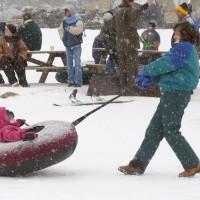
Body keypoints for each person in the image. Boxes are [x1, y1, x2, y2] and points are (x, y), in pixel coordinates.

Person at [118, 21, 200, 177]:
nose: (175, 36)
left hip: (176, 93)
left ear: (185, 34)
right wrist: (153, 78)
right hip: (172, 92)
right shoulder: (185, 49)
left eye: (177, 33)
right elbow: (171, 70)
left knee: (171, 130)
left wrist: (147, 71)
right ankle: (138, 164)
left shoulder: (184, 47)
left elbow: (165, 63)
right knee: (154, 131)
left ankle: (192, 163)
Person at [114, 0, 149, 95]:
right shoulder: (127, 10)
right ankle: (130, 91)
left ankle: (123, 89)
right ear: (128, 2)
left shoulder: (118, 11)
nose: (133, 3)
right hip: (129, 45)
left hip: (121, 44)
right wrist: (145, 5)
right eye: (132, 1)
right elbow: (135, 14)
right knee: (131, 68)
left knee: (122, 68)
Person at [58, 5, 84, 87]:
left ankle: (78, 81)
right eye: (65, 11)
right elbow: (60, 30)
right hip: (68, 45)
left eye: (68, 11)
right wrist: (63, 38)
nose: (66, 13)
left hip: (76, 45)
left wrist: (70, 29)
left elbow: (79, 31)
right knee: (69, 64)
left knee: (77, 64)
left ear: (71, 11)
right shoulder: (64, 20)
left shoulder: (78, 20)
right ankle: (70, 80)